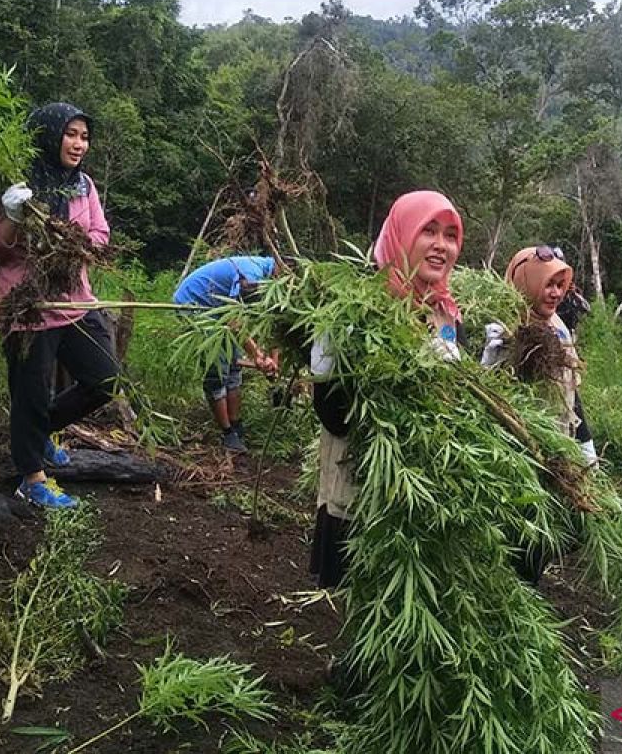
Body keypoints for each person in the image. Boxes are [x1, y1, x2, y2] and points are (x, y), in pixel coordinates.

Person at [309, 190, 465, 589]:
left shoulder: (445, 311)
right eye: (428, 230)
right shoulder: (354, 304)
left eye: (450, 235)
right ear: (401, 232)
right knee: (358, 606)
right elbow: (334, 414)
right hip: (360, 486)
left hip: (419, 497)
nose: (441, 246)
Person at [0, 102, 119, 510]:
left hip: (75, 301)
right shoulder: (14, 186)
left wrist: (72, 245)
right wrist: (13, 217)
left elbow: (100, 233)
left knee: (105, 380)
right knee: (31, 392)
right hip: (28, 307)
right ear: (47, 134)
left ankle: (35, 431)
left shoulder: (83, 185)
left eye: (84, 136)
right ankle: (31, 477)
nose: (79, 144)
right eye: (70, 134)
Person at [480, 245, 598, 584]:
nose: (556, 293)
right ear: (525, 281)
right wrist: (491, 361)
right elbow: (486, 395)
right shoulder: (506, 326)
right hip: (517, 457)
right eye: (548, 283)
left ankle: (526, 592)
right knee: (516, 535)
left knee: (552, 535)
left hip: (555, 451)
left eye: (561, 284)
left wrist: (585, 443)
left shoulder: (558, 326)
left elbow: (570, 393)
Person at [174, 255, 279, 453]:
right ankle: (228, 433)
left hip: (219, 309)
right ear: (280, 271)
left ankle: (236, 425)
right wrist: (257, 355)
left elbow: (274, 324)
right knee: (218, 369)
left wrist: (273, 361)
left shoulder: (273, 281)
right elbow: (234, 322)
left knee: (233, 367)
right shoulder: (252, 276)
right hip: (195, 305)